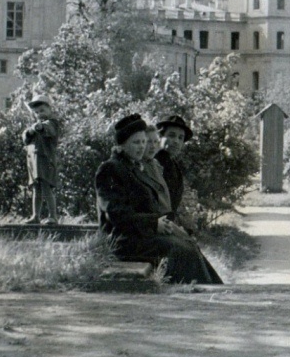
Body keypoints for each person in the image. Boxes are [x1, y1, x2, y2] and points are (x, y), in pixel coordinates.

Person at [95, 113, 222, 284]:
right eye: (136, 142)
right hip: (121, 241)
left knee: (187, 245)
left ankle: (213, 289)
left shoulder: (132, 167)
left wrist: (161, 223)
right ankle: (202, 292)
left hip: (139, 235)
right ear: (122, 145)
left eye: (143, 142)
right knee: (179, 249)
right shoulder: (110, 169)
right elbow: (117, 215)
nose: (141, 147)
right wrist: (154, 223)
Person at [23, 94, 60, 225]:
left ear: (50, 109)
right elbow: (25, 139)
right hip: (34, 162)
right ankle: (35, 216)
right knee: (36, 188)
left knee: (46, 187)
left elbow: (49, 129)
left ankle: (53, 216)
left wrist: (39, 127)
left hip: (45, 160)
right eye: (37, 112)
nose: (39, 114)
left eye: (42, 111)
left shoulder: (52, 123)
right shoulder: (34, 126)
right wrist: (29, 132)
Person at [154, 114, 192, 215]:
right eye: (171, 135)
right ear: (159, 136)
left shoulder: (173, 165)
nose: (176, 141)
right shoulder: (153, 161)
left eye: (181, 138)